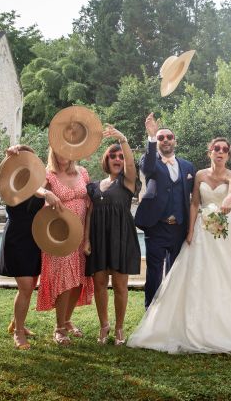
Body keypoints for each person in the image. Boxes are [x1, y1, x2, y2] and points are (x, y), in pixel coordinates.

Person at [128, 137, 231, 353]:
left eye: (225, 149)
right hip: (201, 231)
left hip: (226, 230)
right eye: (217, 148)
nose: (221, 152)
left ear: (228, 154)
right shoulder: (199, 175)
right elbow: (195, 202)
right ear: (210, 152)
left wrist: (228, 201)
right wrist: (189, 231)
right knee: (198, 273)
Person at [0, 144, 62, 350]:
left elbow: (40, 187)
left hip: (35, 238)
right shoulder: (12, 179)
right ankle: (18, 332)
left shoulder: (39, 181)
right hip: (17, 238)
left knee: (29, 285)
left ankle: (17, 323)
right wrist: (8, 158)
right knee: (26, 287)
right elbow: (12, 178)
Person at [85, 126, 140, 345]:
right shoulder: (94, 187)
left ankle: (119, 328)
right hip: (98, 239)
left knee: (119, 285)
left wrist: (122, 139)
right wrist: (86, 239)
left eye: (120, 156)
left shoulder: (128, 182)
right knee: (99, 283)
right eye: (112, 155)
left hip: (121, 238)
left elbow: (132, 165)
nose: (117, 159)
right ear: (105, 160)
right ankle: (104, 326)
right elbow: (89, 213)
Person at [134, 113, 195, 308]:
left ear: (175, 141)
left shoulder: (187, 166)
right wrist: (151, 137)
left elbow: (193, 198)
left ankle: (172, 310)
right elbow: (148, 168)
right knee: (154, 272)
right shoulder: (149, 161)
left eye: (169, 137)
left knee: (176, 270)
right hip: (157, 226)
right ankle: (150, 310)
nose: (165, 140)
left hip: (179, 227)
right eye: (161, 138)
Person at [36, 147, 94, 346]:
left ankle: (67, 320)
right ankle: (59, 328)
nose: (63, 155)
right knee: (64, 281)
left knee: (78, 280)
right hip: (59, 234)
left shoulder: (83, 172)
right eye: (58, 151)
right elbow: (34, 188)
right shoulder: (49, 174)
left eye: (66, 151)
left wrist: (87, 238)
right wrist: (46, 193)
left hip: (80, 235)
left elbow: (90, 204)